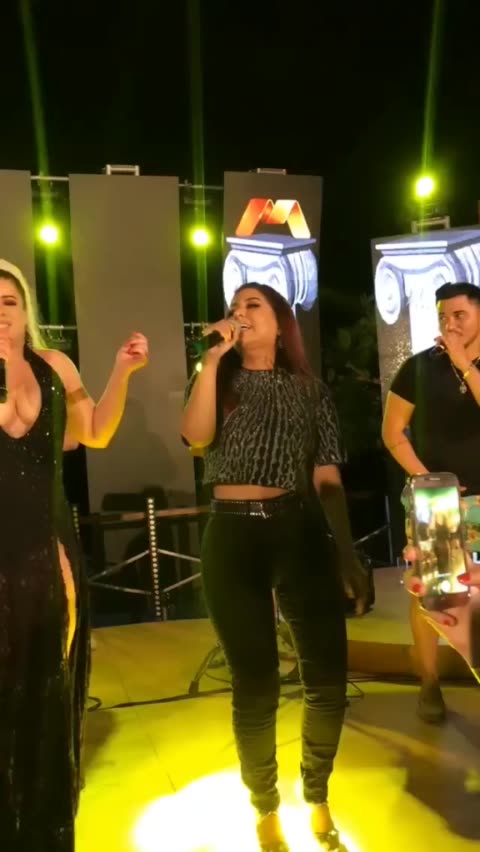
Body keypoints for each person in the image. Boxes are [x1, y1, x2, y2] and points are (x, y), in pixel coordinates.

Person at [181, 283, 367, 852]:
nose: (239, 313)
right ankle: (265, 806)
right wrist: (211, 360)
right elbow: (195, 436)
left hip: (298, 526)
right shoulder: (218, 378)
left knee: (327, 677)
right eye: (234, 307)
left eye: (252, 305)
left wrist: (347, 552)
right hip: (232, 533)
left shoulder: (310, 390)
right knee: (256, 683)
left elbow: (327, 478)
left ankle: (318, 793)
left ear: (281, 323)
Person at [0, 260, 148, 851]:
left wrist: (122, 372)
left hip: (48, 549)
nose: (0, 313)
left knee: (48, 690)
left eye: (9, 301)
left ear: (26, 309)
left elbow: (96, 432)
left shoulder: (55, 366)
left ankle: (45, 830)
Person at [382, 281, 480, 723]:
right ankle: (429, 682)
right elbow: (392, 433)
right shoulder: (419, 367)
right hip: (438, 499)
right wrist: (428, 480)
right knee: (433, 595)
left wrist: (465, 364)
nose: (450, 324)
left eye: (459, 315)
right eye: (443, 316)